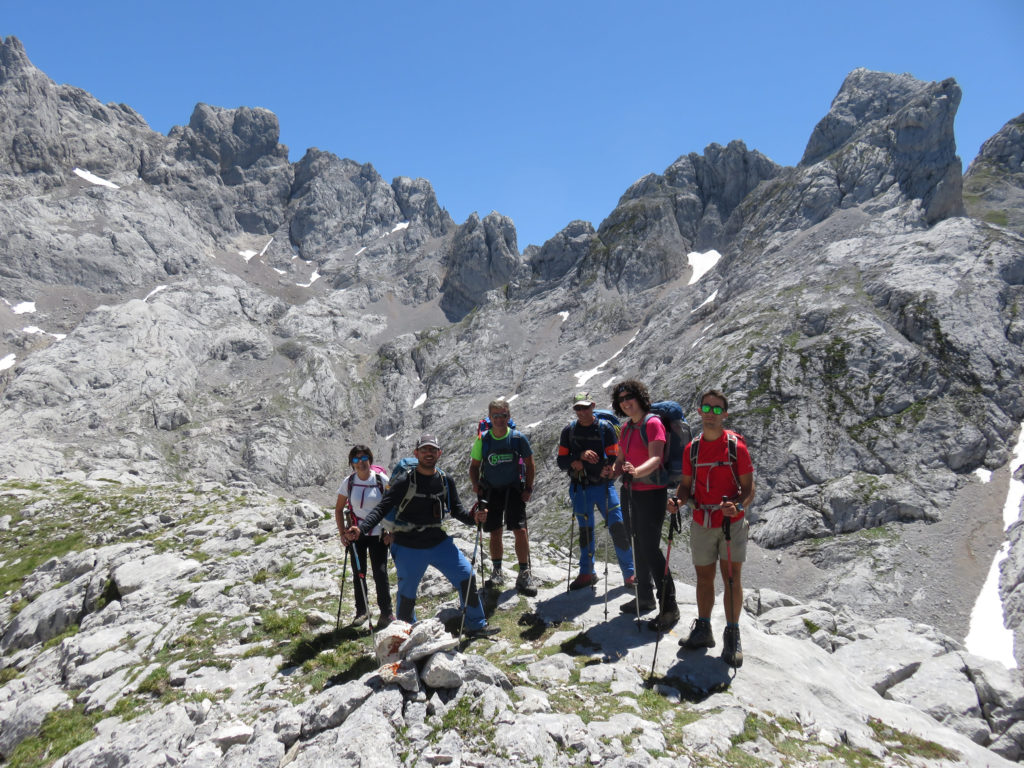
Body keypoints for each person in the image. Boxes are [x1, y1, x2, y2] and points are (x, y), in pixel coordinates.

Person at [343, 434, 497, 639]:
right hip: (408, 545)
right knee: (407, 594)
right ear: (416, 454)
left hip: (438, 541)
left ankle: (476, 625)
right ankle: (408, 635)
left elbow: (457, 511)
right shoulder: (404, 481)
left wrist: (474, 518)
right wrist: (361, 529)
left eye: (432, 450)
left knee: (466, 575)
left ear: (439, 453)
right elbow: (382, 508)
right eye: (424, 450)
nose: (428, 453)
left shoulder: (444, 480)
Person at [672, 389, 755, 667]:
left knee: (731, 578)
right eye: (707, 408)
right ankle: (704, 629)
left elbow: (748, 488)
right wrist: (678, 500)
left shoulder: (736, 448)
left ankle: (732, 635)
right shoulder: (691, 449)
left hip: (731, 523)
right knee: (704, 578)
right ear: (699, 411)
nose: (711, 413)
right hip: (702, 522)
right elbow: (685, 485)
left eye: (718, 409)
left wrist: (738, 507)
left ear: (725, 414)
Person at [611, 380, 680, 631]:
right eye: (621, 400)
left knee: (650, 547)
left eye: (629, 397)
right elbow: (621, 459)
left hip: (652, 493)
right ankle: (644, 597)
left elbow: (656, 457)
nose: (626, 402)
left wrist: (635, 471)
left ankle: (670, 607)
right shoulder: (627, 428)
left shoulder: (652, 423)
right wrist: (614, 470)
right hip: (630, 491)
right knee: (636, 542)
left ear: (640, 398)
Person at [556, 392, 636, 590]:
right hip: (580, 487)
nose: (581, 412)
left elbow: (615, 456)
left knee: (618, 528)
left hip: (603, 487)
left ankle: (630, 574)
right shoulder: (569, 431)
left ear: (593, 406)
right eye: (577, 408)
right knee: (586, 532)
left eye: (585, 407)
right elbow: (561, 461)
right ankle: (587, 573)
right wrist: (578, 457)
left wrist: (607, 467)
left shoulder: (605, 429)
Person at [469, 398, 539, 596]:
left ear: (509, 416)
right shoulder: (483, 439)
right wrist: (476, 485)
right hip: (491, 490)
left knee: (520, 530)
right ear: (490, 418)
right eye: (496, 416)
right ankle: (497, 570)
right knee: (495, 531)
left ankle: (524, 572)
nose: (500, 419)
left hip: (514, 490)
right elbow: (474, 466)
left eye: (503, 415)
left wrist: (528, 487)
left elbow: (530, 463)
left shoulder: (517, 438)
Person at [334, 445, 394, 629]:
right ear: (352, 464)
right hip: (355, 533)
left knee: (380, 573)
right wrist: (342, 533)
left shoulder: (381, 479)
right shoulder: (349, 482)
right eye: (356, 460)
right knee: (358, 574)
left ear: (370, 459)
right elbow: (338, 509)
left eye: (363, 458)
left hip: (378, 534)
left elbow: (394, 506)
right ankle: (362, 611)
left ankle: (386, 613)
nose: (360, 463)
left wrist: (391, 531)